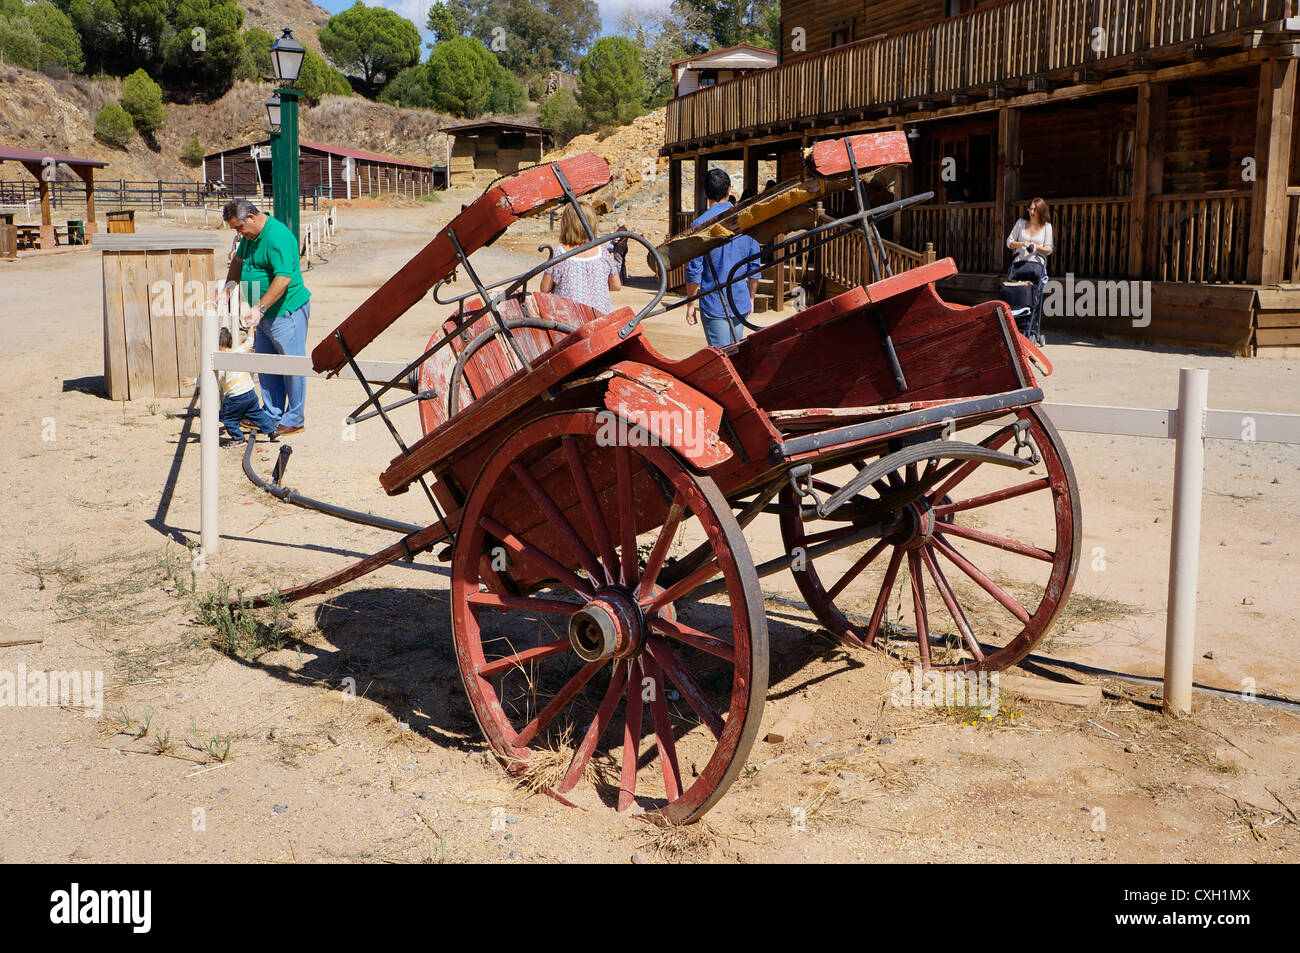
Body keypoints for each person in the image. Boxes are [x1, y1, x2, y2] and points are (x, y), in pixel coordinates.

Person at [217, 198, 311, 437]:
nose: (238, 233)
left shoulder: (277, 236)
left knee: (292, 365)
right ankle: (271, 414)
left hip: (285, 312)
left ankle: (294, 418)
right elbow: (238, 262)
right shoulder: (250, 238)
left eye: (239, 227)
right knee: (267, 366)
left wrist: (259, 308)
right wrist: (227, 290)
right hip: (265, 313)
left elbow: (283, 278)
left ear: (251, 217)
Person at [685, 168, 761, 347]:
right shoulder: (746, 221)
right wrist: (751, 298)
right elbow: (754, 266)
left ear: (705, 192)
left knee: (721, 356)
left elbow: (694, 270)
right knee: (737, 355)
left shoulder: (699, 225)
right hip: (739, 300)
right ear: (729, 191)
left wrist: (690, 304)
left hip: (714, 302)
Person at [182, 327, 279, 448]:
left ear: (219, 345)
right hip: (249, 392)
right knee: (256, 413)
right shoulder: (238, 351)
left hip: (235, 396)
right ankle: (272, 430)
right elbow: (249, 342)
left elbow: (210, 378)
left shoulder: (220, 361)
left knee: (227, 417)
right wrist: (250, 328)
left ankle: (238, 438)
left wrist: (194, 381)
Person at [539, 201, 622, 313]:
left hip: (570, 322)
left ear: (566, 224)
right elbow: (616, 285)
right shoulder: (602, 253)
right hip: (600, 320)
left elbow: (544, 289)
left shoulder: (559, 254)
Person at [1006, 197, 1053, 282]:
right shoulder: (1020, 222)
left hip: (1036, 267)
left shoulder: (1047, 226)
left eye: (1035, 209)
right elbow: (1009, 242)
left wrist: (1037, 247)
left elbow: (1049, 249)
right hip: (1018, 265)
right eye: (1030, 209)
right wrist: (1022, 243)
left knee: (1034, 293)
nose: (1032, 212)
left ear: (1041, 211)